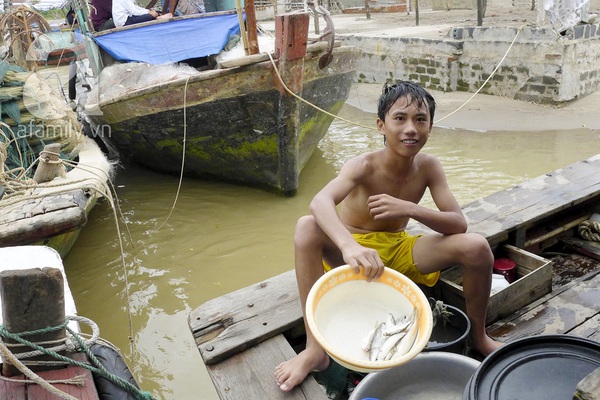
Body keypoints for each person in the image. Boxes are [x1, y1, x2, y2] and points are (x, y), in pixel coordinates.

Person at [274, 80, 504, 392]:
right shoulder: (363, 165)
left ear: (430, 127)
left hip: (398, 248)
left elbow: (457, 224)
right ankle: (314, 350)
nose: (411, 128)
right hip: (353, 253)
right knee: (306, 226)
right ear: (381, 125)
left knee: (477, 247)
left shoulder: (429, 167)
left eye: (420, 120)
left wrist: (409, 207)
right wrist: (348, 245)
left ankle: (478, 335)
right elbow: (320, 202)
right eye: (400, 119)